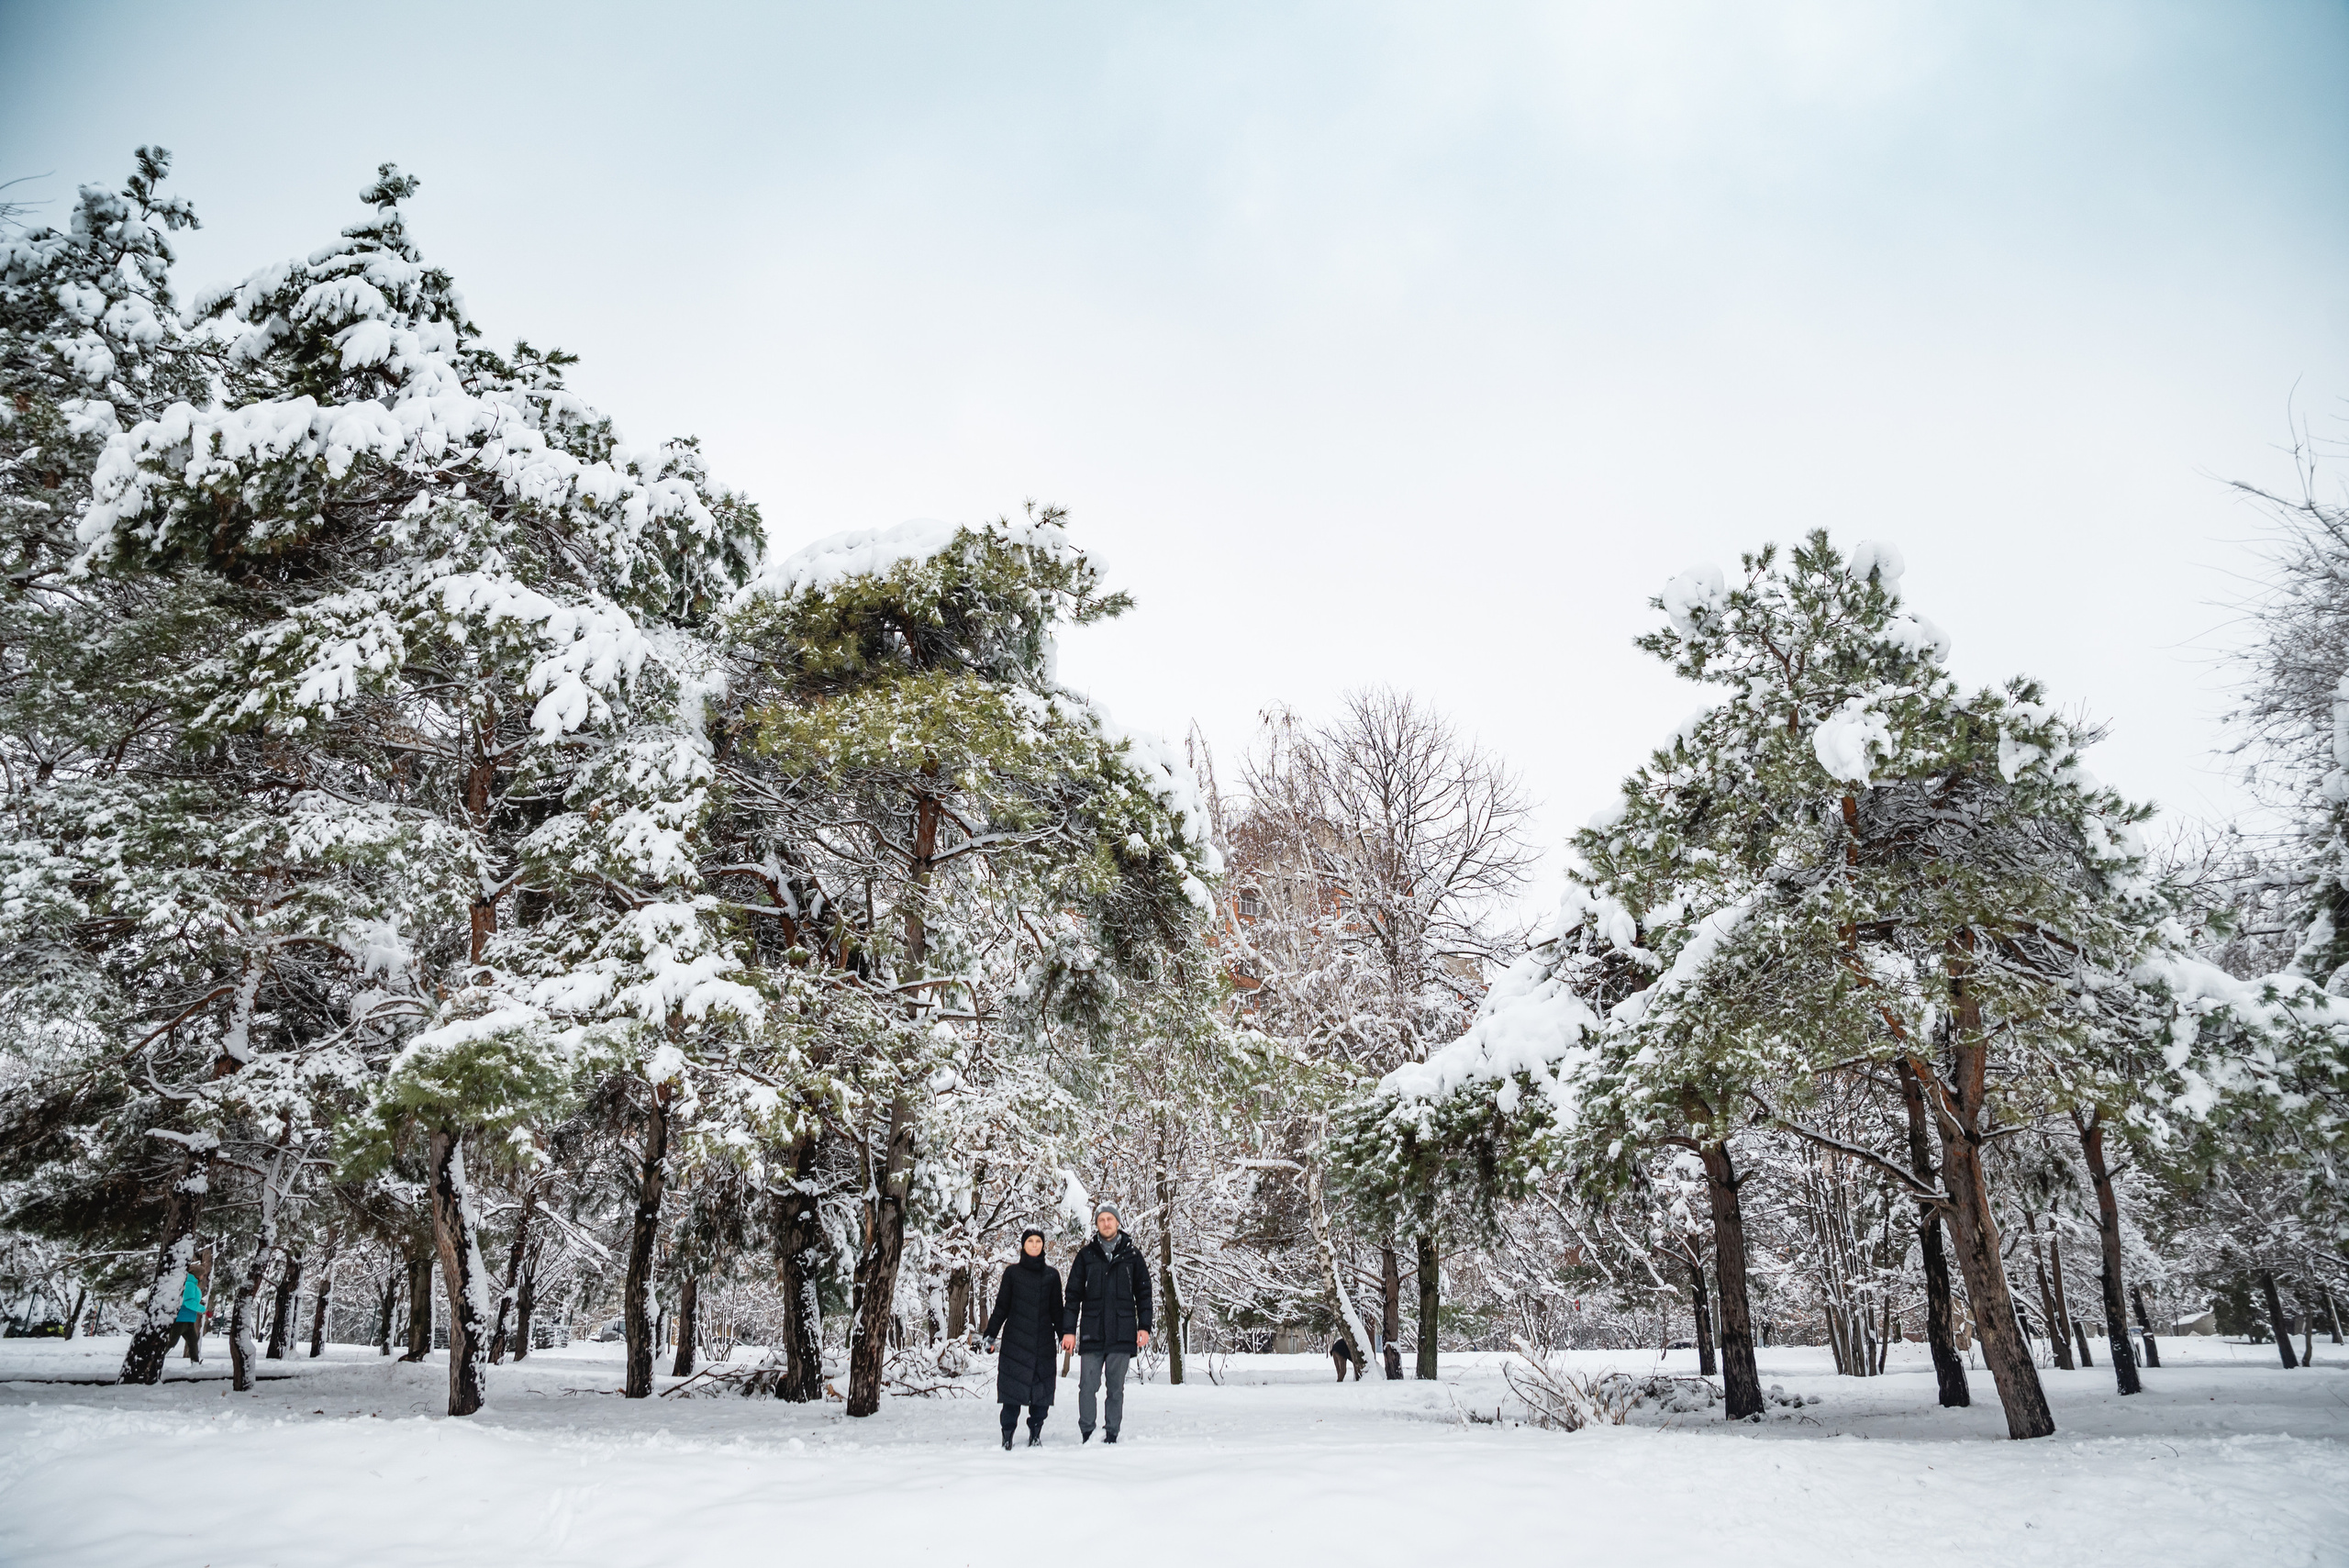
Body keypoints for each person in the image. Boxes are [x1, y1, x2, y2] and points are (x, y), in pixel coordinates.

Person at [1061, 1204, 1151, 1443]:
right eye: (1102, 1219)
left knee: (1116, 1389)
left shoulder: (1132, 1256)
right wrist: (1068, 1331)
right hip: (1092, 1332)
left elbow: (1144, 1294)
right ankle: (1087, 1432)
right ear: (1097, 1224)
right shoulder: (1086, 1256)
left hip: (1122, 1333)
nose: (1106, 1223)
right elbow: (1072, 1296)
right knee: (1087, 1387)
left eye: (1110, 1219)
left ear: (1118, 1222)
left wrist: (1145, 1326)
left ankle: (1112, 1432)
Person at [985, 1228, 1063, 1449]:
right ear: (1023, 1245)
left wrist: (1064, 1335)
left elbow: (1058, 1310)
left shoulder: (1052, 1276)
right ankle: (1007, 1434)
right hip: (1015, 1342)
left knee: (1041, 1393)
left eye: (1039, 1241)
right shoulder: (1012, 1274)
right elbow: (1002, 1306)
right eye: (1031, 1241)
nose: (1035, 1245)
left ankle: (1036, 1432)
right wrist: (991, 1335)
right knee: (1012, 1392)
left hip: (1043, 1343)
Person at [174, 1268, 205, 1363]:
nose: (203, 1276)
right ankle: (154, 1361)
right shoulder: (189, 1284)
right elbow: (188, 1302)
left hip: (189, 1319)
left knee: (193, 1342)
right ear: (197, 1275)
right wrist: (203, 1309)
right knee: (171, 1343)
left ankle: (195, 1364)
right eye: (202, 1274)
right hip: (181, 1319)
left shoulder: (192, 1285)